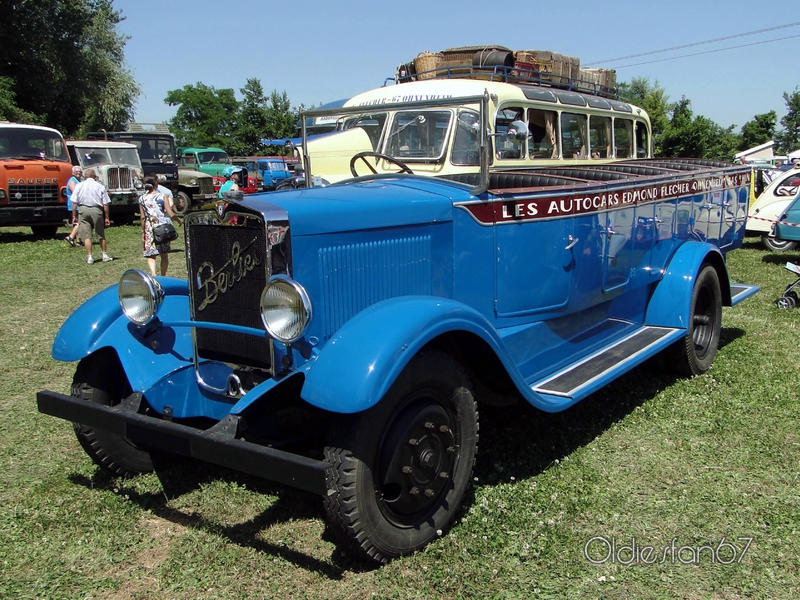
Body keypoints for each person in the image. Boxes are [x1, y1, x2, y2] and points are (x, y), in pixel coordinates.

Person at [139, 175, 180, 276]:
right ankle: (163, 275)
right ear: (156, 184)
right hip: (162, 227)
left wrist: (143, 231)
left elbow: (142, 217)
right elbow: (171, 213)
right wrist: (179, 220)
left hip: (149, 228)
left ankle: (153, 274)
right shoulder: (162, 196)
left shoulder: (141, 199)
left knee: (151, 255)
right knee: (164, 254)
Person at [71, 168, 111, 264]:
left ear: (85, 176)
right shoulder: (100, 186)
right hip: (96, 209)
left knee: (86, 235)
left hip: (83, 209)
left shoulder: (79, 185)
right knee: (100, 233)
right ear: (94, 176)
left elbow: (74, 202)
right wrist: (107, 217)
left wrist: (74, 215)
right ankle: (104, 255)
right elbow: (105, 204)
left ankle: (90, 257)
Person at [64, 165, 82, 246]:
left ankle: (78, 241)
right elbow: (76, 193)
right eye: (77, 171)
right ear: (72, 173)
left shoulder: (78, 180)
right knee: (80, 222)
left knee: (76, 223)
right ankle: (70, 237)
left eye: (80, 171)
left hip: (78, 204)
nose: (79, 172)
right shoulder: (72, 181)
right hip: (75, 205)